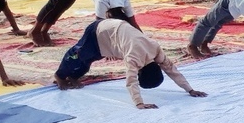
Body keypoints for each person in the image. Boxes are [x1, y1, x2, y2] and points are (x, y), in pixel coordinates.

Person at [53, 19, 208, 109]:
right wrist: (139, 103)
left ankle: (73, 76)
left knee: (88, 60)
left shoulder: (155, 51)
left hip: (112, 38)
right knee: (77, 55)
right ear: (141, 72)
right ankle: (60, 76)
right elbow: (131, 81)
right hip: (100, 31)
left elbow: (172, 70)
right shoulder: (134, 58)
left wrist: (190, 90)